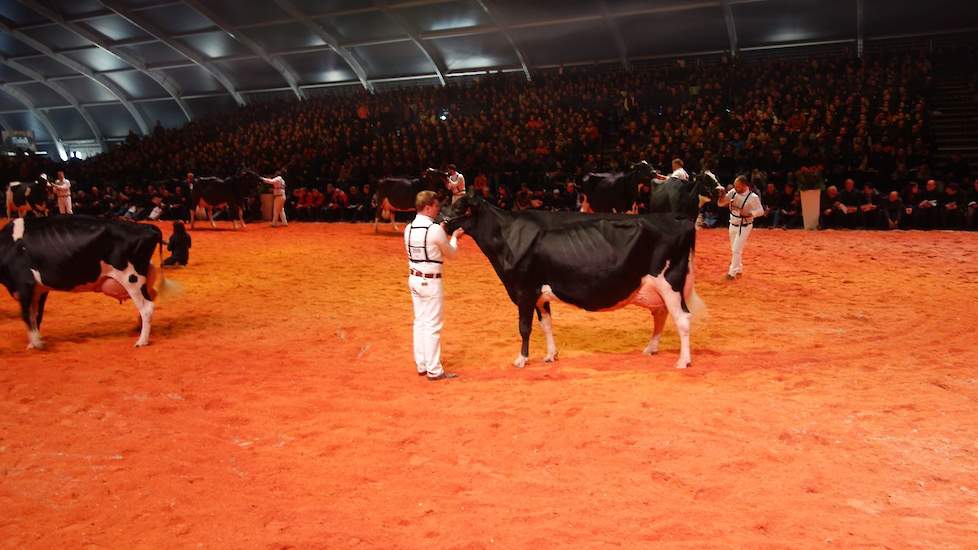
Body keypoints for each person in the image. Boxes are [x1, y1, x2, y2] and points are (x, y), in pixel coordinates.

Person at [405, 191, 463, 381]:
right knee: (432, 325)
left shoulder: (409, 228)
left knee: (419, 322)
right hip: (430, 281)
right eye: (436, 206)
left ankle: (422, 364)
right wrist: (454, 236)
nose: (438, 209)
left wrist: (440, 228)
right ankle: (434, 370)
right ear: (428, 207)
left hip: (414, 278)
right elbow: (452, 254)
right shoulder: (434, 230)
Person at [717, 175, 764, 280]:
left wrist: (750, 213)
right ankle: (738, 269)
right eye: (735, 186)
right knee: (735, 249)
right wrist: (721, 196)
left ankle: (731, 273)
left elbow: (761, 211)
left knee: (736, 249)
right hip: (732, 224)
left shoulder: (753, 197)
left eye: (737, 186)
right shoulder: (733, 192)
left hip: (745, 226)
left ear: (744, 185)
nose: (735, 188)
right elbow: (721, 204)